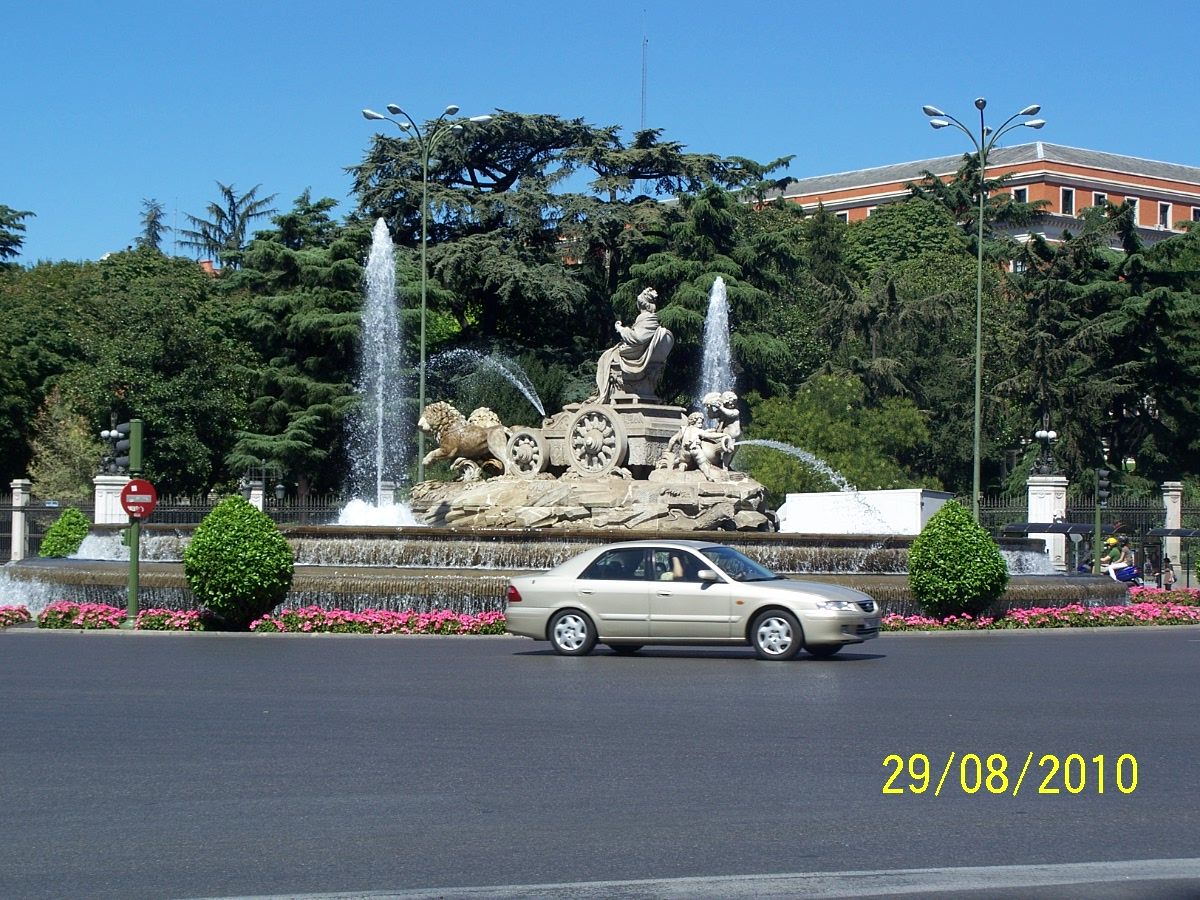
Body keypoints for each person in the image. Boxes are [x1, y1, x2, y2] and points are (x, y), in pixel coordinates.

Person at [593, 287, 674, 402]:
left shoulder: (646, 318)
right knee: (609, 354)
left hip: (636, 354)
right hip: (638, 351)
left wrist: (621, 329)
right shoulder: (651, 319)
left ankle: (605, 394)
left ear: (641, 305)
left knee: (607, 356)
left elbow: (637, 338)